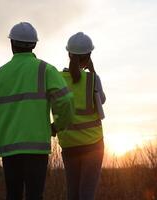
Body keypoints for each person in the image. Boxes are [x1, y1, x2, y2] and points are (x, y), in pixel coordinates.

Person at [0, 22, 74, 200]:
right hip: (36, 147)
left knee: (13, 195)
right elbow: (66, 100)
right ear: (34, 45)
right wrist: (57, 126)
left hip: (9, 149)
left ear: (11, 44)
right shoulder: (45, 70)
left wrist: (4, 128)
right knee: (34, 195)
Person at [57, 32, 106, 200]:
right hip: (93, 144)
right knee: (86, 195)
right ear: (89, 56)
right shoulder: (93, 79)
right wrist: (92, 71)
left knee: (73, 194)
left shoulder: (57, 78)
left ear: (69, 54)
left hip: (69, 143)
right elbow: (102, 100)